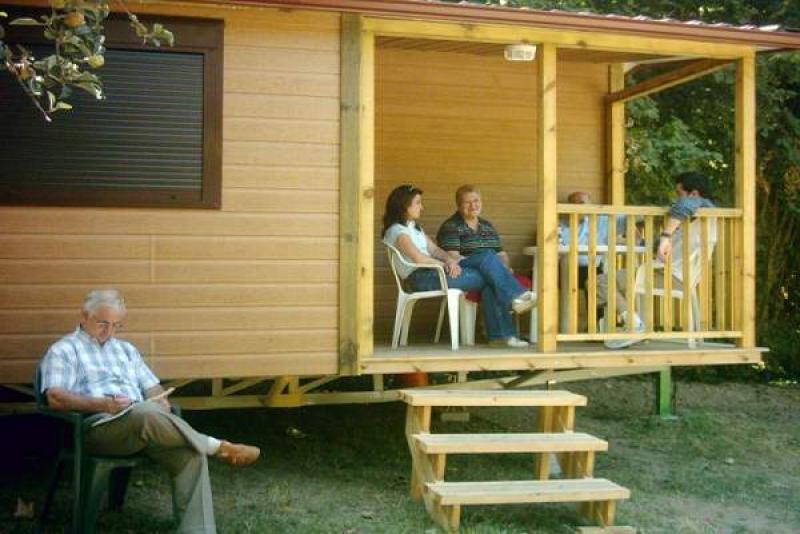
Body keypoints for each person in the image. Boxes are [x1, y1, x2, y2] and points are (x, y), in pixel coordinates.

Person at [38, 289, 261, 534]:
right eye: (102, 324)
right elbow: (55, 398)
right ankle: (217, 446)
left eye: (116, 325)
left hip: (144, 424)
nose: (109, 332)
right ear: (84, 316)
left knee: (189, 453)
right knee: (145, 413)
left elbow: (152, 387)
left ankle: (199, 530)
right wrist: (104, 405)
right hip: (100, 429)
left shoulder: (126, 350)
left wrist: (160, 401)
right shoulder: (64, 350)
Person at [382, 184, 536, 348]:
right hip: (421, 277)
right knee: (490, 275)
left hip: (435, 272)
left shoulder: (414, 228)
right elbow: (419, 259)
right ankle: (513, 306)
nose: (422, 207)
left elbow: (435, 250)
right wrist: (445, 265)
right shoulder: (398, 232)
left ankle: (502, 334)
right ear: (404, 206)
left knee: (487, 260)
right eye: (418, 203)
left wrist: (449, 260)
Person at [596, 172, 715, 349]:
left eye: (679, 193)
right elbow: (667, 245)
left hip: (668, 275)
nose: (676, 199)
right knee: (605, 286)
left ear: (694, 194)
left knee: (600, 282)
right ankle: (626, 323)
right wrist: (639, 242)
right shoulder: (695, 219)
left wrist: (666, 236)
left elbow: (684, 205)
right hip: (675, 275)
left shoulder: (702, 208)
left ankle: (634, 326)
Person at [557, 191, 627, 291]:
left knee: (600, 281)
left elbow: (628, 219)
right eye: (573, 203)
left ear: (590, 205)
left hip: (592, 269)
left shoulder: (601, 222)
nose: (577, 207)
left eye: (581, 203)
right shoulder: (559, 225)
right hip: (565, 271)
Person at [436, 184, 512, 271]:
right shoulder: (450, 226)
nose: (473, 206)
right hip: (466, 272)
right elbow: (452, 258)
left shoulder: (487, 225)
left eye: (476, 201)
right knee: (486, 256)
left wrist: (504, 268)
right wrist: (485, 265)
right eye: (467, 202)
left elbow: (501, 254)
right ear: (459, 205)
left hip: (493, 271)